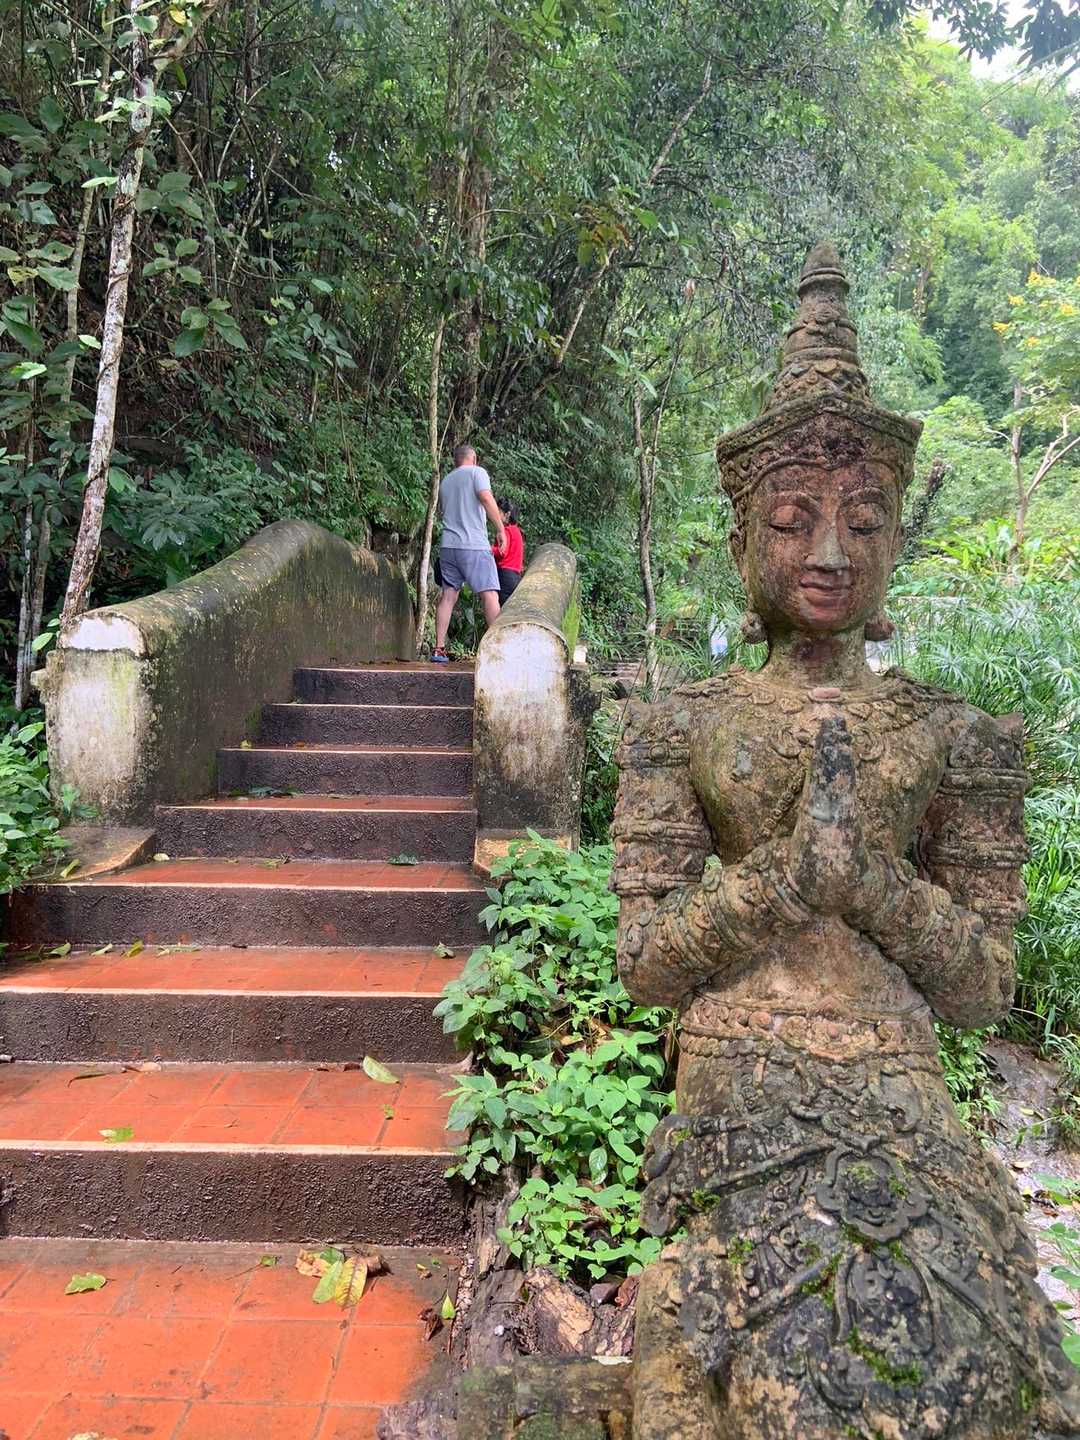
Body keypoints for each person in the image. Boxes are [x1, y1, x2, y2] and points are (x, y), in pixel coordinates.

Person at [433, 443, 507, 663]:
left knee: (448, 596)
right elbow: (485, 497)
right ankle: (498, 651)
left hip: (448, 547)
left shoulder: (446, 481)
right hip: (473, 545)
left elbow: (443, 512)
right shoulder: (477, 473)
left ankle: (438, 649)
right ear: (473, 459)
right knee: (490, 594)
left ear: (456, 460)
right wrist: (500, 529)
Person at [493, 498, 525, 606]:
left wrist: (488, 549)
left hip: (505, 575)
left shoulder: (506, 531)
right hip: (515, 576)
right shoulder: (516, 530)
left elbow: (502, 552)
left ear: (507, 514)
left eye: (498, 512)